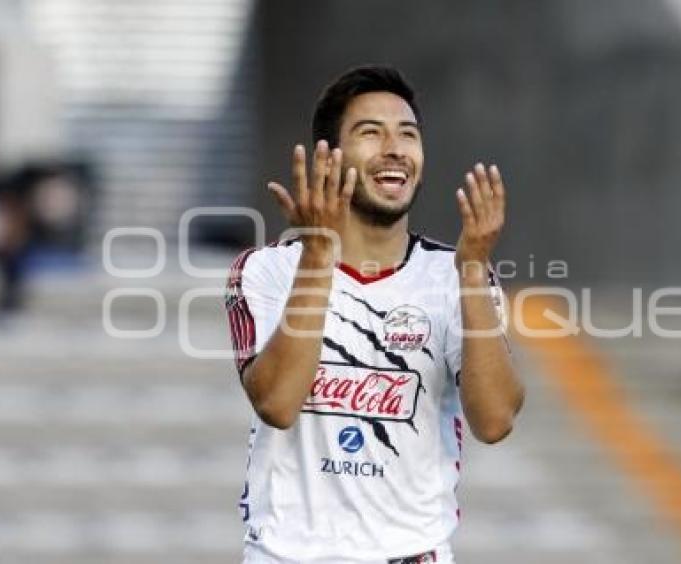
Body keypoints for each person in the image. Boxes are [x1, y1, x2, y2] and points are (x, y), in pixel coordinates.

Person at [224, 65, 524, 563]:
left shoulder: (455, 275)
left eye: (408, 134)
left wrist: (472, 272)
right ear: (328, 158)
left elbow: (494, 421)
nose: (395, 149)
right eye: (371, 133)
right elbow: (277, 403)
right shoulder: (265, 270)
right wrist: (319, 254)